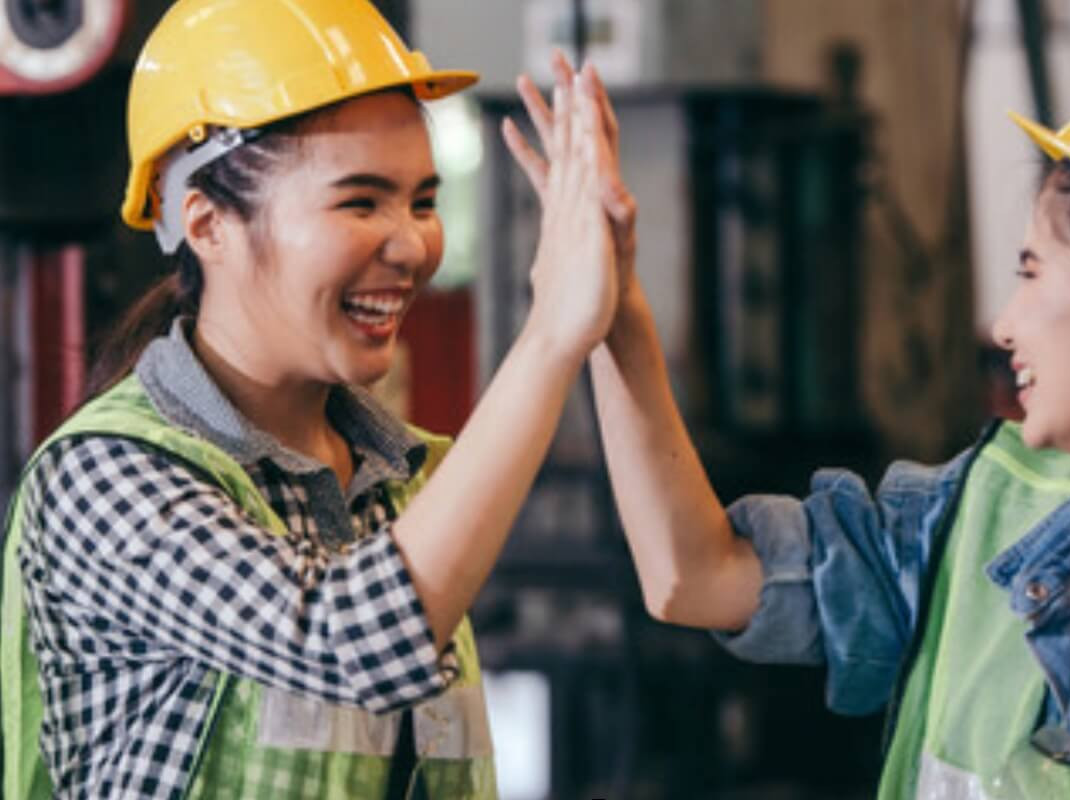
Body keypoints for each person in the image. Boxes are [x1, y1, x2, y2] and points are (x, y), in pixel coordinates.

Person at [506, 59, 1070, 797]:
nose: (1004, 325)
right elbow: (695, 575)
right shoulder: (976, 522)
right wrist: (617, 306)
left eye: (1031, 273)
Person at [0, 1, 618, 798]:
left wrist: (615, 299)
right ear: (208, 223)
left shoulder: (405, 483)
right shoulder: (107, 480)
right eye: (360, 202)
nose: (412, 245)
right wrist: (549, 338)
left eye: (422, 202)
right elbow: (346, 641)